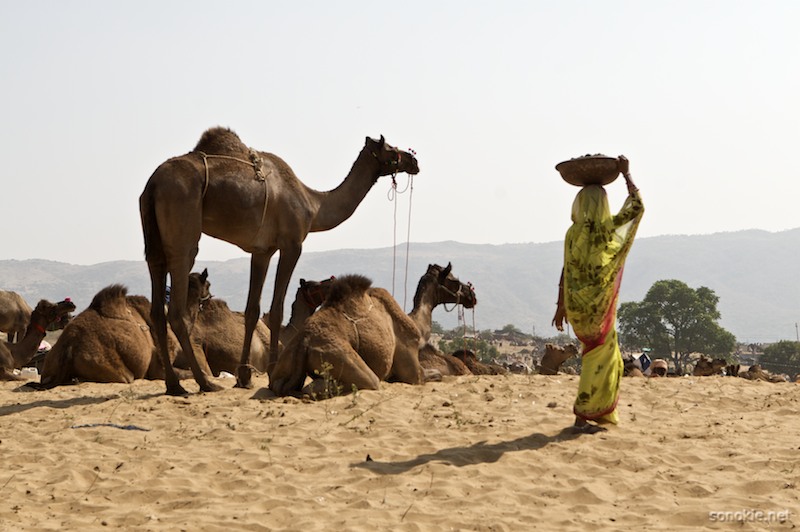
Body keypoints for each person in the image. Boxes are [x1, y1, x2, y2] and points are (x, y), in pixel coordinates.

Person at [552, 155, 644, 433]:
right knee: (601, 359)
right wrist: (627, 176)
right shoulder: (605, 231)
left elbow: (566, 270)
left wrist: (560, 306)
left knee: (599, 356)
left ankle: (595, 413)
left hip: (577, 309)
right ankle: (583, 414)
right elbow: (637, 208)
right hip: (599, 309)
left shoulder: (573, 233)